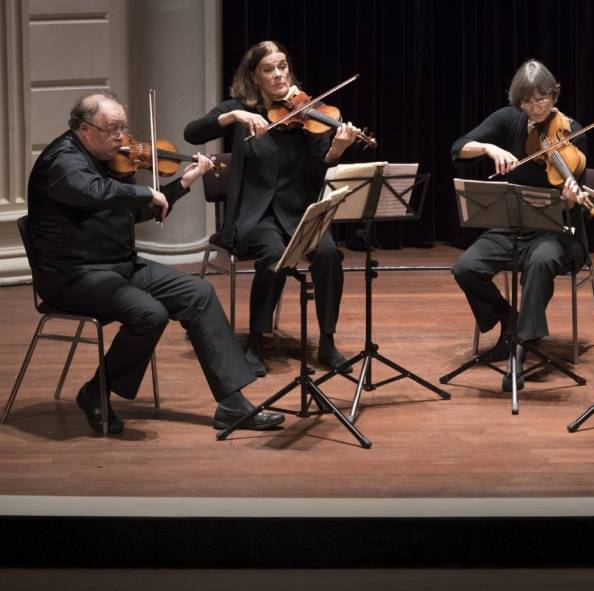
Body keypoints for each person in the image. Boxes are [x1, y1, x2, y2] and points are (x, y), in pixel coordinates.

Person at [26, 90, 284, 435]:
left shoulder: (109, 159)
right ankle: (96, 391)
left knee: (198, 292)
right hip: (71, 275)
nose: (121, 137)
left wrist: (181, 185)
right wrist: (146, 191)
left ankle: (233, 404)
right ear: (84, 129)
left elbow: (130, 215)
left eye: (123, 127)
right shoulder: (62, 162)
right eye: (112, 129)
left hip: (119, 265)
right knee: (149, 313)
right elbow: (96, 192)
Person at [184, 40, 359, 377]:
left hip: (298, 213)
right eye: (268, 69)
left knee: (328, 255)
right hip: (255, 215)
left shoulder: (307, 114)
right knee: (273, 255)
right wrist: (232, 114)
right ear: (254, 77)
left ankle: (326, 340)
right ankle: (256, 341)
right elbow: (192, 133)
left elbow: (314, 175)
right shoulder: (239, 109)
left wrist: (335, 152)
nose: (278, 74)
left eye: (282, 66)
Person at [450, 59, 591, 391]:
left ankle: (520, 348)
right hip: (513, 227)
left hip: (559, 230)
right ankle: (508, 319)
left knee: (540, 263)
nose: (535, 107)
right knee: (465, 267)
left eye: (541, 99)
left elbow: (574, 191)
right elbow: (459, 147)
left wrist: (570, 197)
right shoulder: (509, 119)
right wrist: (488, 146)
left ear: (554, 95)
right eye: (527, 101)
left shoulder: (571, 130)